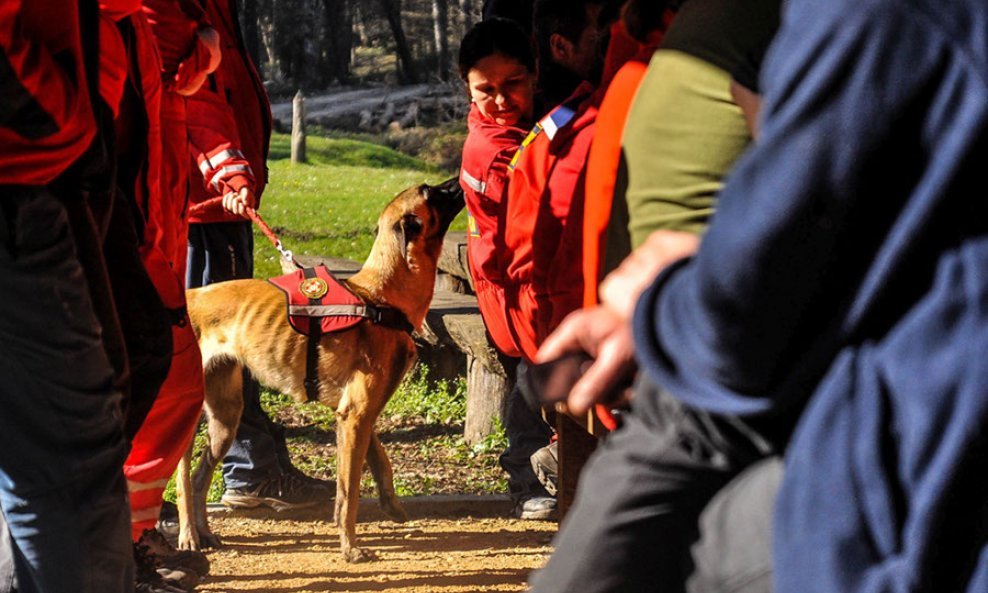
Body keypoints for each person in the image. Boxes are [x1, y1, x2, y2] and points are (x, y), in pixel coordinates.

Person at [531, 0, 988, 591]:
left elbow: (754, 293)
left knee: (672, 534)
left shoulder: (862, 17)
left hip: (860, 419)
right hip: (765, 334)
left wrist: (661, 302)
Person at [0, 1, 135, 590]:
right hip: (19, 186)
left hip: (39, 183)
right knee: (67, 468)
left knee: (34, 462)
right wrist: (64, 124)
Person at [185, 0, 332, 510]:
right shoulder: (183, 10)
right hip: (204, 211)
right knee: (216, 353)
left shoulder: (218, 8)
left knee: (232, 354)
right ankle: (248, 470)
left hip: (227, 205)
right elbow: (192, 105)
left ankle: (254, 463)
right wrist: (225, 174)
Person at [457, 18, 555, 520]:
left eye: (512, 84)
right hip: (512, 287)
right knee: (526, 380)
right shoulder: (497, 149)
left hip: (519, 285)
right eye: (485, 90)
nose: (499, 100)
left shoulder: (519, 129)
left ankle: (545, 469)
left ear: (535, 72)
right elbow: (519, 236)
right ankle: (524, 477)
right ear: (467, 88)